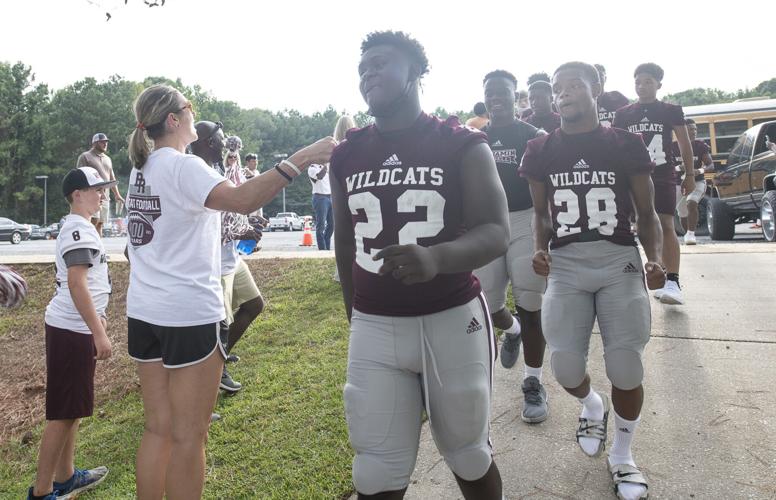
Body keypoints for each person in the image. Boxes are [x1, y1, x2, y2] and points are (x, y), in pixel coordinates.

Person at [125, 83, 335, 499]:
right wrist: (301, 158)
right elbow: (242, 199)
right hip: (187, 312)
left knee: (157, 428)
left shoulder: (141, 168)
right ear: (174, 119)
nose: (192, 114)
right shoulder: (184, 167)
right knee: (189, 436)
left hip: (144, 310)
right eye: (189, 108)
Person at [331, 31, 508, 500]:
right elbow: (345, 244)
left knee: (469, 455)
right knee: (374, 471)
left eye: (381, 63)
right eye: (362, 66)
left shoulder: (461, 143)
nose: (368, 73)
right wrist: (357, 316)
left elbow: (496, 231)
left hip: (451, 317)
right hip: (375, 324)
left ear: (416, 71)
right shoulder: (346, 153)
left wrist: (437, 257)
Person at [521, 61, 665, 500]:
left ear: (597, 89)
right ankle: (591, 404)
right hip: (566, 263)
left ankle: (622, 455)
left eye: (574, 86)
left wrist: (656, 259)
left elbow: (646, 213)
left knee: (625, 366)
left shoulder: (626, 143)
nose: (563, 94)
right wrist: (540, 249)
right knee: (564, 367)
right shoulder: (540, 148)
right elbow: (541, 215)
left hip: (617, 257)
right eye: (558, 88)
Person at [28, 166, 116, 500]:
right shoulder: (77, 230)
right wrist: (99, 333)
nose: (103, 195)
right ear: (77, 194)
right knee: (62, 414)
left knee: (73, 408)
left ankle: (65, 477)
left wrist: (99, 320)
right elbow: (77, 284)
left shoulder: (83, 227)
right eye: (97, 189)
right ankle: (42, 491)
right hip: (72, 330)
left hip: (76, 328)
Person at [474, 69, 549, 423]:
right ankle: (512, 330)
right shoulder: (475, 138)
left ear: (515, 94)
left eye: (503, 91)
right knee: (485, 305)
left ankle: (533, 382)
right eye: (491, 92)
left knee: (530, 304)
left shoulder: (533, 136)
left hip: (524, 219)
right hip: (487, 222)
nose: (496, 98)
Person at [190, 121, 265, 394]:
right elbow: (218, 226)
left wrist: (248, 230)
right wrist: (244, 230)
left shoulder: (218, 169)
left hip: (232, 258)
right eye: (223, 141)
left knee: (254, 305)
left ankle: (219, 359)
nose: (227, 146)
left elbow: (234, 212)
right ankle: (215, 372)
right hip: (215, 265)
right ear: (209, 143)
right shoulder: (198, 175)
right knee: (218, 327)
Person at [612, 63, 695, 305]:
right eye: (638, 81)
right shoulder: (624, 113)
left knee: (666, 223)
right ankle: (632, 275)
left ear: (658, 84)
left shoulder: (670, 110)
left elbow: (684, 143)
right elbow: (616, 146)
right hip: (631, 177)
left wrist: (689, 174)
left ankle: (673, 281)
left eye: (648, 81)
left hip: (662, 173)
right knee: (629, 226)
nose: (642, 86)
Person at [673, 118, 713, 244]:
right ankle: (687, 233)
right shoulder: (673, 146)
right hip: (678, 183)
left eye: (695, 129)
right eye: (691, 129)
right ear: (683, 130)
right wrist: (679, 167)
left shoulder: (700, 145)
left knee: (692, 202)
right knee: (682, 212)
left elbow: (710, 165)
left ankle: (691, 234)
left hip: (698, 181)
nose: (694, 131)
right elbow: (665, 166)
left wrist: (699, 171)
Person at [76, 133, 125, 236]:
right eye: (102, 142)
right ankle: (89, 245)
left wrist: (117, 195)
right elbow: (79, 176)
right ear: (95, 143)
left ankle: (98, 248)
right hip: (91, 195)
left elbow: (112, 178)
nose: (105, 144)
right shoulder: (85, 156)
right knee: (93, 220)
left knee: (100, 223)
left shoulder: (108, 159)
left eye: (106, 142)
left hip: (105, 196)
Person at [308, 158, 334, 250]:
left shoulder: (324, 167)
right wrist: (326, 166)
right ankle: (322, 249)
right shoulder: (312, 168)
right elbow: (319, 176)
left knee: (332, 224)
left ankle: (327, 243)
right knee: (321, 225)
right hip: (320, 197)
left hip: (330, 197)